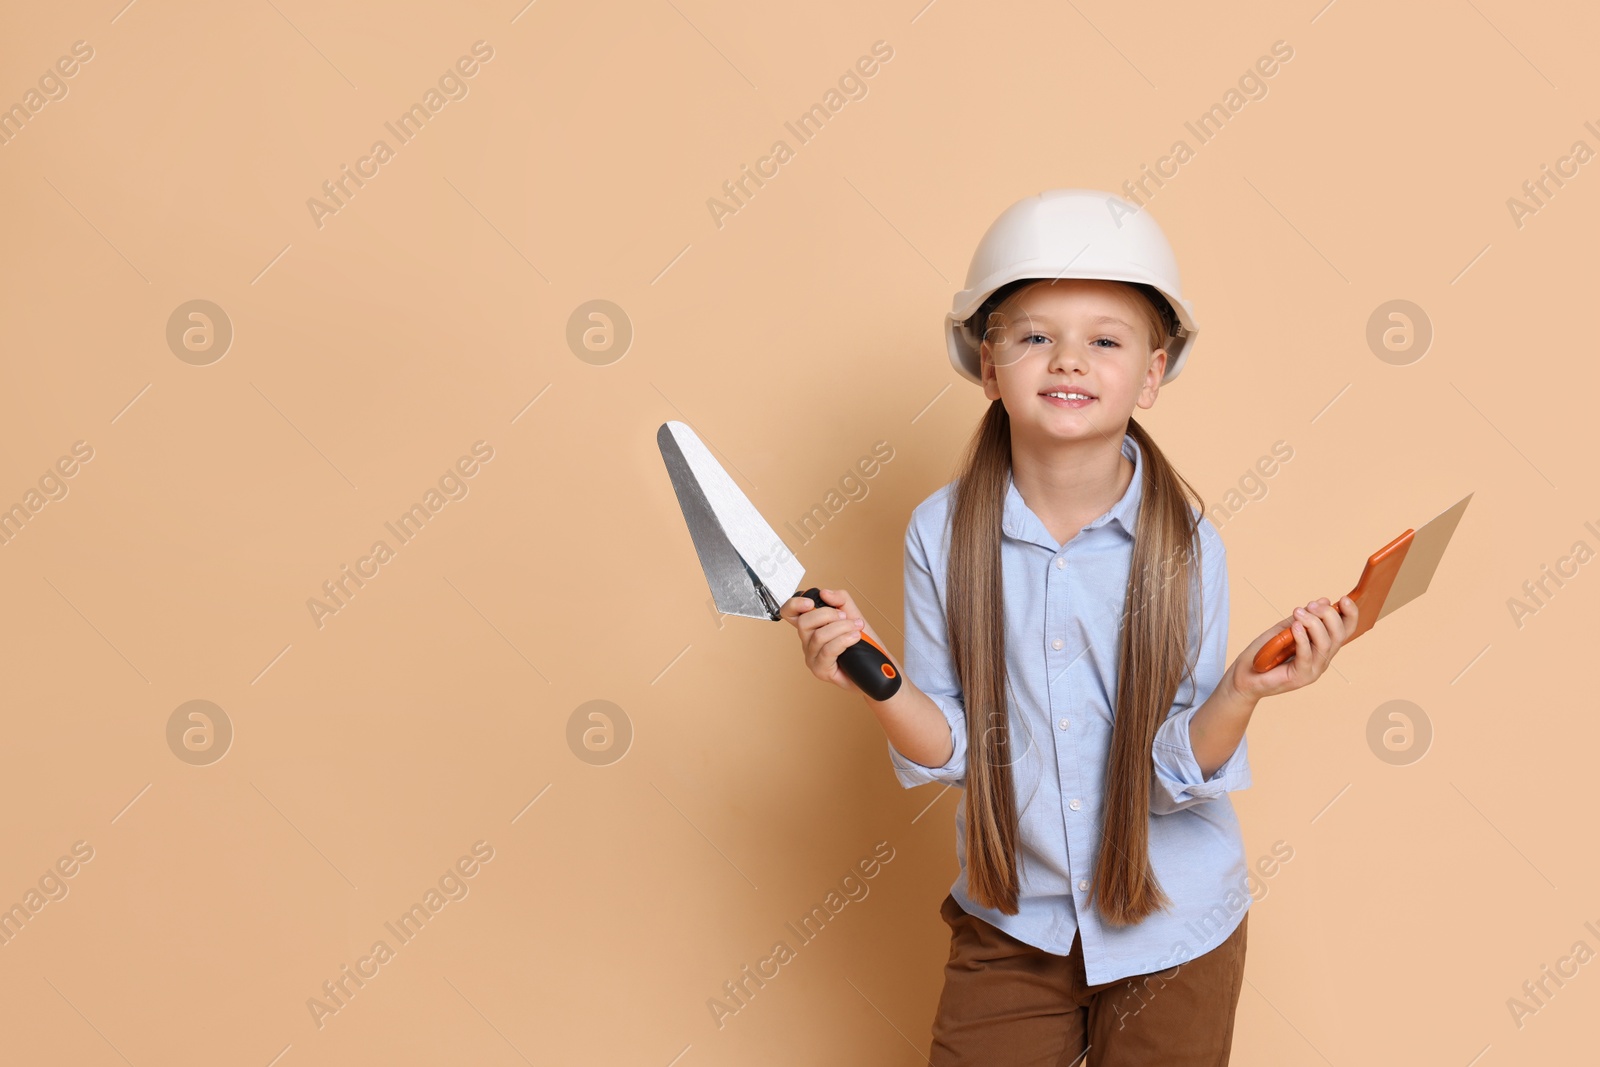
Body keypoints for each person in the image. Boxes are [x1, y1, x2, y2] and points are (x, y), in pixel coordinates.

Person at [779, 190, 1358, 1066]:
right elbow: (954, 745)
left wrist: (1241, 689)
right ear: (988, 365)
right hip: (1015, 921)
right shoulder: (940, 535)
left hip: (1176, 927)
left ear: (1152, 374)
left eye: (1105, 339)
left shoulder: (1189, 545)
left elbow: (1178, 768)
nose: (1069, 359)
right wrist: (873, 676)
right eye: (1035, 335)